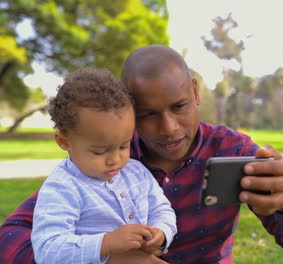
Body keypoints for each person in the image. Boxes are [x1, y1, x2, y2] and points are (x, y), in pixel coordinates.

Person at [0, 45, 283, 264]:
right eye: (148, 114)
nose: (169, 128)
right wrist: (109, 258)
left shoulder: (233, 152)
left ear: (195, 92)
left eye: (179, 106)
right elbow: (10, 238)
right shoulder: (101, 164)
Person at [30, 68, 177, 264]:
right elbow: (47, 251)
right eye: (99, 151)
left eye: (124, 146)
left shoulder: (136, 172)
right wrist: (105, 243)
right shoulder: (63, 187)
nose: (115, 159)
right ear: (64, 142)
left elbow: (162, 209)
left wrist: (161, 233)